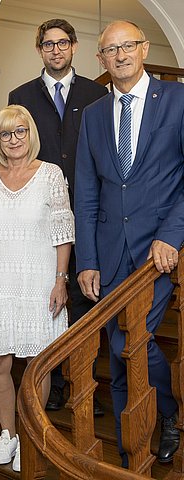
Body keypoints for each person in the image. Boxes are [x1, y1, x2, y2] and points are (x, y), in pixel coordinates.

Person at [75, 20, 184, 467]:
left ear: (143, 50)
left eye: (127, 46)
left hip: (157, 252)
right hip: (108, 250)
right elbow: (85, 192)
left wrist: (172, 235)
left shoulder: (178, 100)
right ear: (100, 60)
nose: (119, 55)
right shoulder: (94, 115)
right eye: (110, 50)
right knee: (118, 354)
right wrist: (87, 260)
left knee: (130, 338)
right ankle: (129, 447)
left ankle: (171, 414)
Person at [0, 105, 74, 472]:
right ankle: (8, 434)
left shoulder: (51, 175)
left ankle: (30, 435)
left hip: (39, 284)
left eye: (21, 131)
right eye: (6, 133)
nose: (14, 139)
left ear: (31, 135)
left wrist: (61, 280)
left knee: (35, 366)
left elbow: (63, 232)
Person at [9, 18, 108, 414]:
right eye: (48, 44)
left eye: (63, 43)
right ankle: (51, 387)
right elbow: (14, 150)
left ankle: (84, 383)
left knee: (86, 301)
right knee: (44, 301)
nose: (56, 50)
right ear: (39, 49)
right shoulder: (21, 94)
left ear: (74, 47)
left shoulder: (97, 93)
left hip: (87, 213)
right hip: (38, 219)